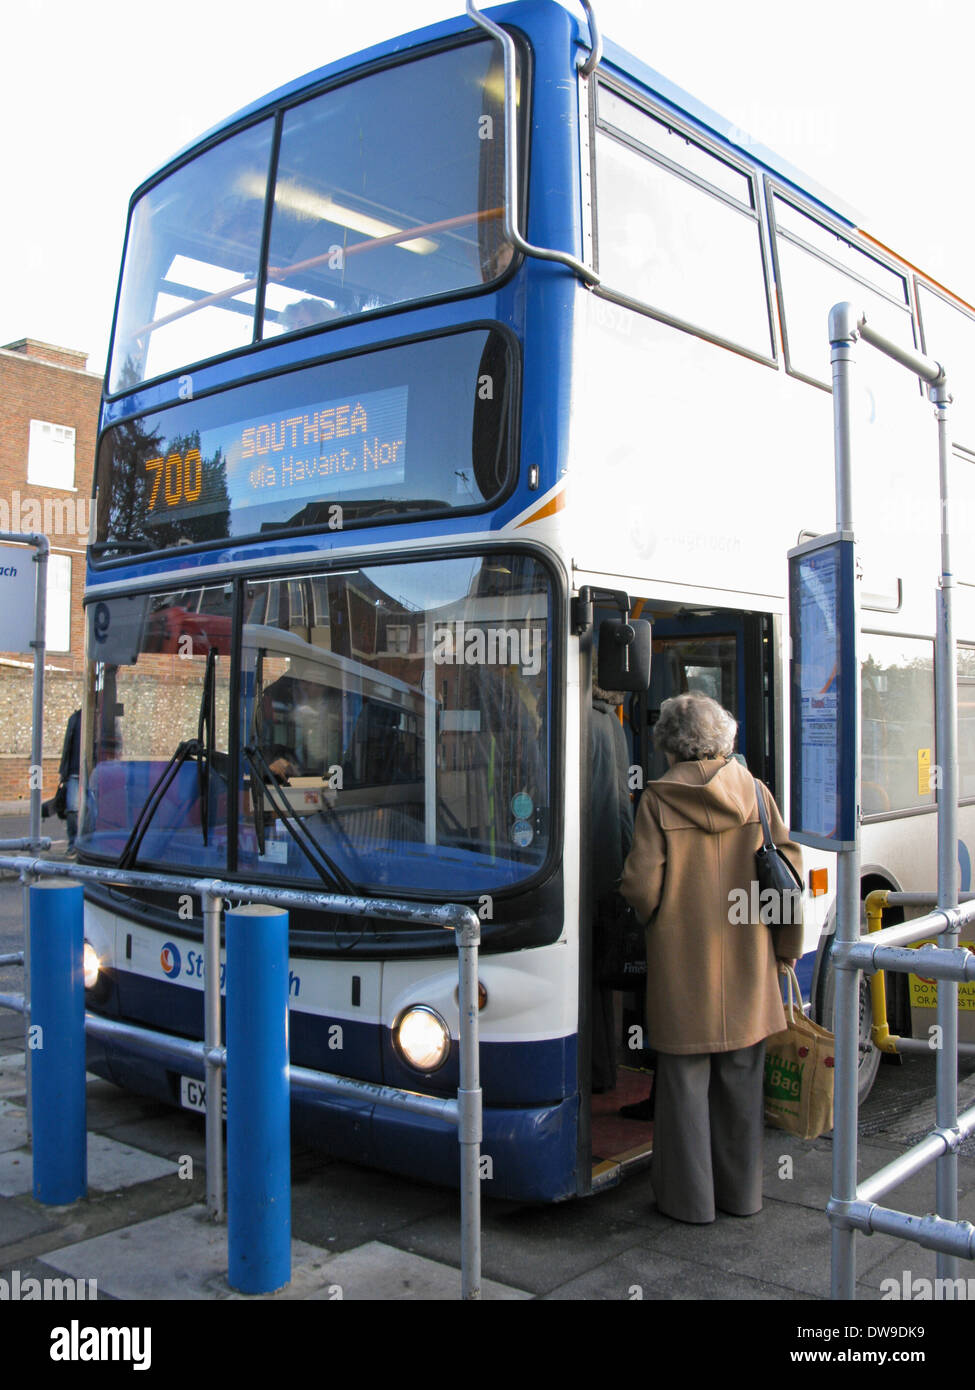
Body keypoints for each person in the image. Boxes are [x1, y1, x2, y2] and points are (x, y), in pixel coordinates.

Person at [620, 691, 803, 1224]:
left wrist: (655, 918)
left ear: (669, 744)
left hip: (684, 970)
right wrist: (785, 952)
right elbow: (786, 879)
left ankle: (689, 1204)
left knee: (682, 1090)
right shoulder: (756, 792)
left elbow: (639, 885)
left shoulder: (656, 800)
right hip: (748, 969)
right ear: (722, 737)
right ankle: (743, 1196)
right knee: (743, 1087)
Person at [590, 682, 634, 1092]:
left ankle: (592, 1072)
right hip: (607, 865)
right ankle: (604, 1071)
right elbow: (621, 799)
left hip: (579, 869)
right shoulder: (611, 724)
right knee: (599, 977)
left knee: (585, 978)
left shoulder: (575, 720)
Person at [59, 708, 81, 853]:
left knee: (92, 811)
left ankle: (86, 842)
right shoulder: (75, 718)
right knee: (72, 809)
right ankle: (73, 844)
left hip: (94, 773)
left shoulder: (103, 718)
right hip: (74, 772)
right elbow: (67, 745)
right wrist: (63, 772)